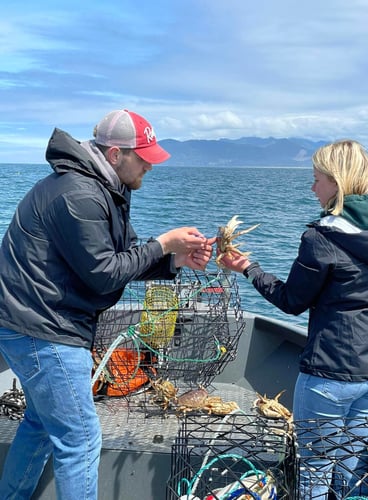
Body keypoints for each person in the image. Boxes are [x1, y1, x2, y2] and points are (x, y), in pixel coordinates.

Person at [0, 108, 215, 500]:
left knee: (39, 423)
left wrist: (172, 261)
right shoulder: (79, 195)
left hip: (35, 321)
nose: (151, 166)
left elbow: (121, 256)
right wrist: (163, 244)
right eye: (144, 157)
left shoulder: (104, 188)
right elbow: (102, 273)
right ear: (116, 155)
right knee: (80, 440)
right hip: (43, 328)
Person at [217, 139, 368, 498]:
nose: (312, 186)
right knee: (350, 464)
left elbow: (291, 301)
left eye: (316, 178)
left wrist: (248, 267)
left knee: (315, 468)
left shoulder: (322, 237)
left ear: (337, 182)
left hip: (329, 374)